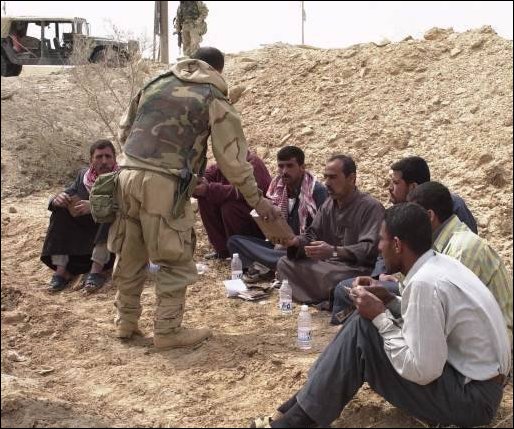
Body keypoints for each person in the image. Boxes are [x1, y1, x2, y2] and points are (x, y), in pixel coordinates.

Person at [256, 203, 510, 428]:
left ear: (398, 244)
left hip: (473, 401)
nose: (378, 248)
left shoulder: (425, 283)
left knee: (365, 329)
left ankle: (299, 416)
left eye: (382, 241)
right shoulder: (439, 265)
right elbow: (432, 322)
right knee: (364, 321)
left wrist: (380, 316)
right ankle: (303, 405)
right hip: (478, 387)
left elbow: (423, 370)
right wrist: (389, 301)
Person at [111, 46, 280, 349]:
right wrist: (258, 200)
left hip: (126, 174)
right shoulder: (213, 97)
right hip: (163, 183)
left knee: (131, 252)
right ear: (219, 70)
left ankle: (126, 323)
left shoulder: (155, 82)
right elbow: (233, 161)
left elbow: (125, 130)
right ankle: (167, 330)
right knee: (174, 258)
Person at [331, 155, 478, 324]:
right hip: (409, 280)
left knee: (355, 294)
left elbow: (452, 262)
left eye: (395, 183)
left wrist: (401, 278)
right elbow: (385, 252)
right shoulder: (402, 209)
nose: (389, 188)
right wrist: (382, 274)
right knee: (348, 289)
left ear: (413, 187)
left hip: (427, 286)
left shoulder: (450, 207)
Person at [276, 155, 384, 305]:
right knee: (284, 263)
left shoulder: (371, 207)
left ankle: (331, 295)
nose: (327, 183)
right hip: (328, 265)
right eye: (326, 177)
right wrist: (295, 241)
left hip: (355, 269)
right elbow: (312, 234)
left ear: (351, 178)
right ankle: (327, 296)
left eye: (333, 177)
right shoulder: (328, 205)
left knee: (334, 279)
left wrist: (333, 251)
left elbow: (368, 249)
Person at [408, 181, 513, 336]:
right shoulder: (444, 244)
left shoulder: (463, 249)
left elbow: (446, 314)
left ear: (430, 216)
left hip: (496, 343)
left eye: (413, 216)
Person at [227, 146, 327, 282]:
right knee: (235, 242)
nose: (284, 171)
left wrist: (295, 241)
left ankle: (270, 266)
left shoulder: (317, 191)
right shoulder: (277, 187)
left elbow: (321, 232)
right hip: (277, 246)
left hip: (301, 249)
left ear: (302, 167)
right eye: (281, 166)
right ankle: (274, 266)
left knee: (300, 259)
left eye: (290, 166)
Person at [41, 139, 118, 293]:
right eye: (99, 157)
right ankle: (61, 270)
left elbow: (128, 206)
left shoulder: (124, 178)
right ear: (91, 160)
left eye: (108, 156)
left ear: (114, 158)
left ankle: (96, 271)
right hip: (85, 236)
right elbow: (68, 192)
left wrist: (95, 207)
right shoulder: (84, 176)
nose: (104, 161)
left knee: (106, 214)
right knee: (61, 210)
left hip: (112, 237)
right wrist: (58, 198)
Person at [194, 151, 272, 260]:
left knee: (230, 208)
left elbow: (249, 192)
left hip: (260, 216)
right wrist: (197, 182)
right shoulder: (225, 163)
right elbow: (208, 175)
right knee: (205, 199)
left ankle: (243, 252)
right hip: (238, 215)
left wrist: (209, 189)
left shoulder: (252, 163)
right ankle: (223, 250)